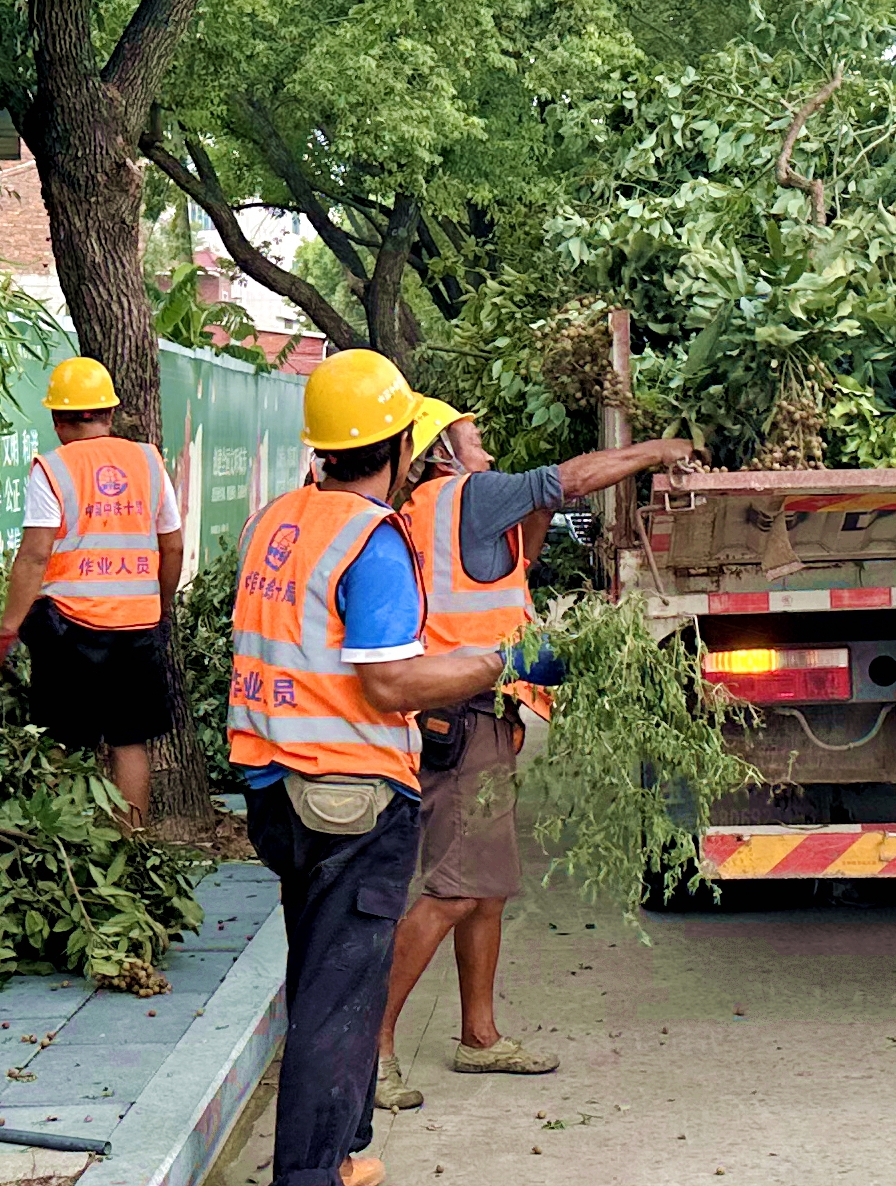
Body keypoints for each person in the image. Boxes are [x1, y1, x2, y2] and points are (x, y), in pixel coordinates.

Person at [230, 351, 553, 1186]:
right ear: (402, 445)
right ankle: (313, 1174)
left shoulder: (277, 519)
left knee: (319, 977)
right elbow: (389, 683)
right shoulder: (370, 540)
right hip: (345, 795)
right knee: (339, 996)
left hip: (272, 785)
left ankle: (340, 1151)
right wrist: (502, 663)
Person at [371, 396, 691, 1110]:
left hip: (462, 712)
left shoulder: (426, 509)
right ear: (442, 451)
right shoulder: (470, 494)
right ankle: (371, 1048)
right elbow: (570, 480)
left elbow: (517, 559)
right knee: (455, 889)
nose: (485, 449)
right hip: (464, 714)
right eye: (473, 437)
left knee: (485, 887)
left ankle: (479, 1037)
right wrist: (659, 451)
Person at [0, 358, 181, 825]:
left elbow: (34, 556)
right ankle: (133, 844)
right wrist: (159, 605)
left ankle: (61, 842)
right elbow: (173, 546)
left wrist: (8, 630)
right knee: (129, 742)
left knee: (59, 740)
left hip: (70, 629)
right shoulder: (149, 461)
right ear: (109, 414)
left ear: (57, 419)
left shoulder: (53, 469)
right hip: (137, 627)